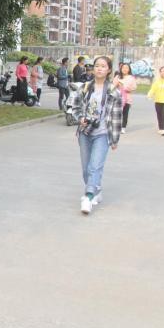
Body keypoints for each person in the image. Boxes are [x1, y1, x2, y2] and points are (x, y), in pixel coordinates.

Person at [71, 56, 122, 215]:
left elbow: (116, 117)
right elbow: (75, 107)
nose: (99, 68)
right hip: (85, 132)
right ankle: (96, 190)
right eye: (97, 65)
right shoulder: (85, 87)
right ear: (93, 68)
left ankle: (88, 196)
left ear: (109, 70)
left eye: (103, 66)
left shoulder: (114, 92)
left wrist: (114, 139)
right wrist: (80, 118)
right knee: (86, 168)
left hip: (102, 133)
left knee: (95, 166)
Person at [116, 63, 137, 134]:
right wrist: (117, 84)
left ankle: (123, 127)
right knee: (117, 113)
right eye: (123, 68)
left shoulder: (131, 78)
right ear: (121, 69)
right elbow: (113, 85)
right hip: (117, 98)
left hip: (127, 99)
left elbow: (134, 87)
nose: (125, 69)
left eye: (126, 68)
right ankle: (116, 126)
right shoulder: (118, 77)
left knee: (125, 113)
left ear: (129, 69)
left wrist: (124, 87)